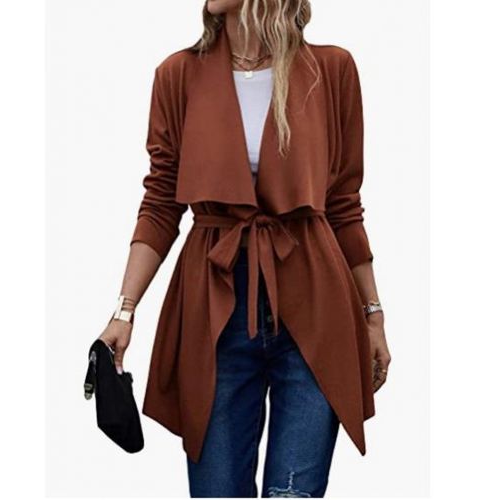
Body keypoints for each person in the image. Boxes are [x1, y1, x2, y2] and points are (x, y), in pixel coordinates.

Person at [99, 0, 391, 497]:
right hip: (215, 305)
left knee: (293, 493)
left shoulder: (332, 69)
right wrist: (124, 311)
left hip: (315, 303)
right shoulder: (178, 75)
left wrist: (373, 313)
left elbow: (344, 204)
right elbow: (161, 202)